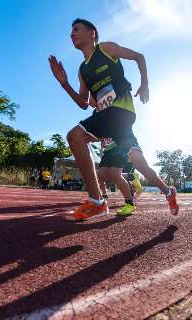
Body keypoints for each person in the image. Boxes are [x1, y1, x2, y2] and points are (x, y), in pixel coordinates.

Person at [48, 18, 179, 221]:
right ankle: (168, 191)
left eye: (76, 29)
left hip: (122, 111)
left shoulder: (106, 49)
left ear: (92, 33)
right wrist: (64, 84)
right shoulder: (83, 70)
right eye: (70, 31)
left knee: (75, 137)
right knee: (140, 163)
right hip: (112, 121)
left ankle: (97, 202)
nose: (71, 34)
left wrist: (145, 85)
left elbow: (139, 57)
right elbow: (84, 103)